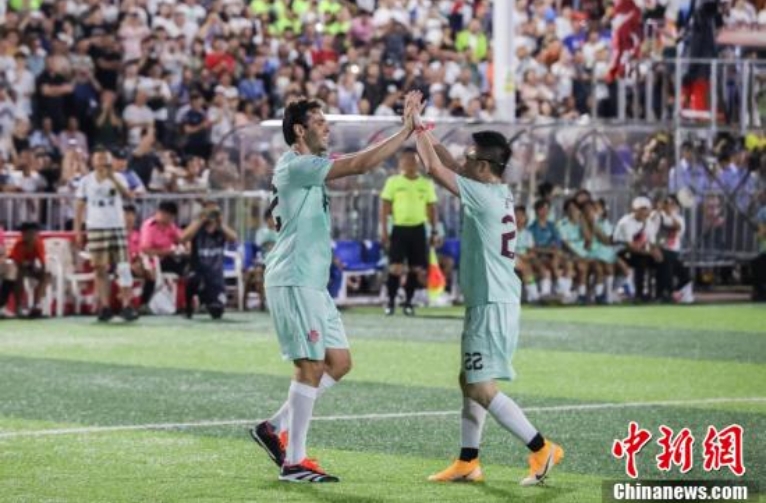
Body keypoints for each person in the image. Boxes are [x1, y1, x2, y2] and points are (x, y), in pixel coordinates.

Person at [250, 95, 419, 483]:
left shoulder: (306, 165)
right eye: (319, 121)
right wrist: (405, 131)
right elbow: (360, 164)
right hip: (294, 278)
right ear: (299, 130)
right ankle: (295, 461)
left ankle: (273, 428)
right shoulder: (296, 164)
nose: (327, 127)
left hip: (312, 281)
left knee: (338, 363)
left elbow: (354, 162)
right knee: (309, 365)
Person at [411, 94, 563, 486]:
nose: (461, 159)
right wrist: (425, 130)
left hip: (491, 303)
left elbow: (433, 166)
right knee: (469, 379)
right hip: (494, 297)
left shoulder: (481, 194)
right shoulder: (494, 188)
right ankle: (468, 461)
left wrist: (414, 125)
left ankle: (542, 448)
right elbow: (447, 161)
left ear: (482, 166)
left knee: (480, 385)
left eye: (469, 156)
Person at [74, 148, 138, 322]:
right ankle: (105, 306)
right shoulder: (86, 181)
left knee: (123, 267)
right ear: (93, 161)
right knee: (100, 268)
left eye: (105, 159)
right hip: (95, 227)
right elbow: (79, 207)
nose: (102, 162)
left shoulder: (119, 177)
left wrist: (112, 178)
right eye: (99, 158)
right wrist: (78, 230)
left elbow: (129, 196)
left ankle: (127, 305)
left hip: (116, 226)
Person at [380, 146, 439, 316]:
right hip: (399, 229)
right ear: (400, 162)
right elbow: (385, 207)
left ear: (419, 162)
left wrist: (434, 231)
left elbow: (432, 208)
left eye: (413, 159)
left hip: (419, 230)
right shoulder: (393, 182)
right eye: (406, 159)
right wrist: (384, 230)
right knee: (395, 268)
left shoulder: (426, 184)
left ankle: (408, 303)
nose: (410, 163)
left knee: (415, 268)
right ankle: (391, 302)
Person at [179, 201, 237, 319]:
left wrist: (220, 222)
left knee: (217, 312)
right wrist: (200, 220)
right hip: (198, 273)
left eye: (214, 212)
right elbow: (183, 238)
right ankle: (189, 307)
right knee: (192, 280)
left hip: (216, 277)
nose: (211, 215)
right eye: (209, 211)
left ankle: (209, 302)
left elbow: (233, 238)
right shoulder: (197, 229)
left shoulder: (221, 230)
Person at [613, 196, 663, 302]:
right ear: (634, 210)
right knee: (641, 260)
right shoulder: (626, 222)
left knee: (662, 260)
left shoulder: (649, 223)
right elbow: (630, 246)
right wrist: (649, 252)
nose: (644, 212)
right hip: (620, 251)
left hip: (639, 251)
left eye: (646, 209)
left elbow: (652, 243)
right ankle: (639, 293)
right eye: (641, 209)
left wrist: (656, 252)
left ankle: (659, 293)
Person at [653, 195, 693, 303]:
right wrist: (659, 211)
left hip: (674, 252)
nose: (669, 206)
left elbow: (678, 228)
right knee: (666, 265)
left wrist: (670, 214)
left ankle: (672, 292)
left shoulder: (679, 219)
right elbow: (652, 232)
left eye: (672, 204)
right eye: (667, 203)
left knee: (686, 276)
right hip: (659, 251)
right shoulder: (658, 216)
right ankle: (665, 293)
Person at [9, 222, 50, 319]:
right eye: (30, 233)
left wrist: (42, 272)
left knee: (46, 276)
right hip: (16, 266)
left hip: (30, 266)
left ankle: (36, 305)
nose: (33, 236)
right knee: (18, 275)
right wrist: (27, 265)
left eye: (35, 233)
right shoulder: (19, 244)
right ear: (24, 234)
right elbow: (17, 262)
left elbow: (42, 261)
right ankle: (19, 306)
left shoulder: (39, 243)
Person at [124, 205, 155, 314]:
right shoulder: (117, 235)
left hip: (137, 264)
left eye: (132, 215)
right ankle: (127, 305)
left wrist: (139, 261)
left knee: (150, 273)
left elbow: (143, 251)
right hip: (120, 264)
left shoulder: (139, 235)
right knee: (128, 269)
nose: (129, 218)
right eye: (126, 215)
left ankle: (144, 304)